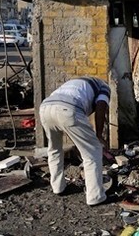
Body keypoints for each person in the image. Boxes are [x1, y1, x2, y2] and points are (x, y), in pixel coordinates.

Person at [39, 77, 111, 206]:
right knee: (92, 152)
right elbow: (101, 107)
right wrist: (99, 136)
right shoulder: (104, 87)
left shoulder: (79, 83)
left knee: (54, 148)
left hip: (45, 108)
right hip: (68, 109)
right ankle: (95, 197)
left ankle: (58, 187)